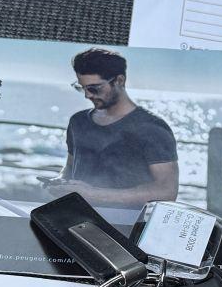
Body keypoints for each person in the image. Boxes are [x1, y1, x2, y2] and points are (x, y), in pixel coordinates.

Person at [47, 48, 179, 208]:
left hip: (126, 221)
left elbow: (167, 191)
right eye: (81, 87)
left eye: (94, 88)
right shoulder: (78, 121)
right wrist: (60, 182)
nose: (87, 95)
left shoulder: (152, 128)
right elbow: (69, 167)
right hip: (76, 215)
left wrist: (93, 194)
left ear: (119, 81)